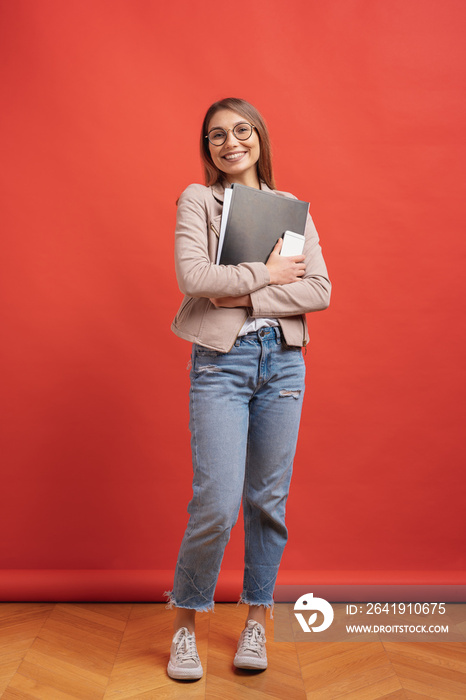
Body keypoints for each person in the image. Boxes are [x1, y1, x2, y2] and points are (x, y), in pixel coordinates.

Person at [165, 97, 331, 680]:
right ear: (207, 148)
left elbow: (319, 290)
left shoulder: (290, 208)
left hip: (283, 364)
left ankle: (257, 619)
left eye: (241, 131)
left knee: (268, 501)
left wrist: (242, 295)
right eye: (216, 136)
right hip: (221, 364)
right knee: (216, 501)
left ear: (259, 136)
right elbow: (194, 278)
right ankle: (185, 625)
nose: (230, 142)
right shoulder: (198, 199)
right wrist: (268, 273)